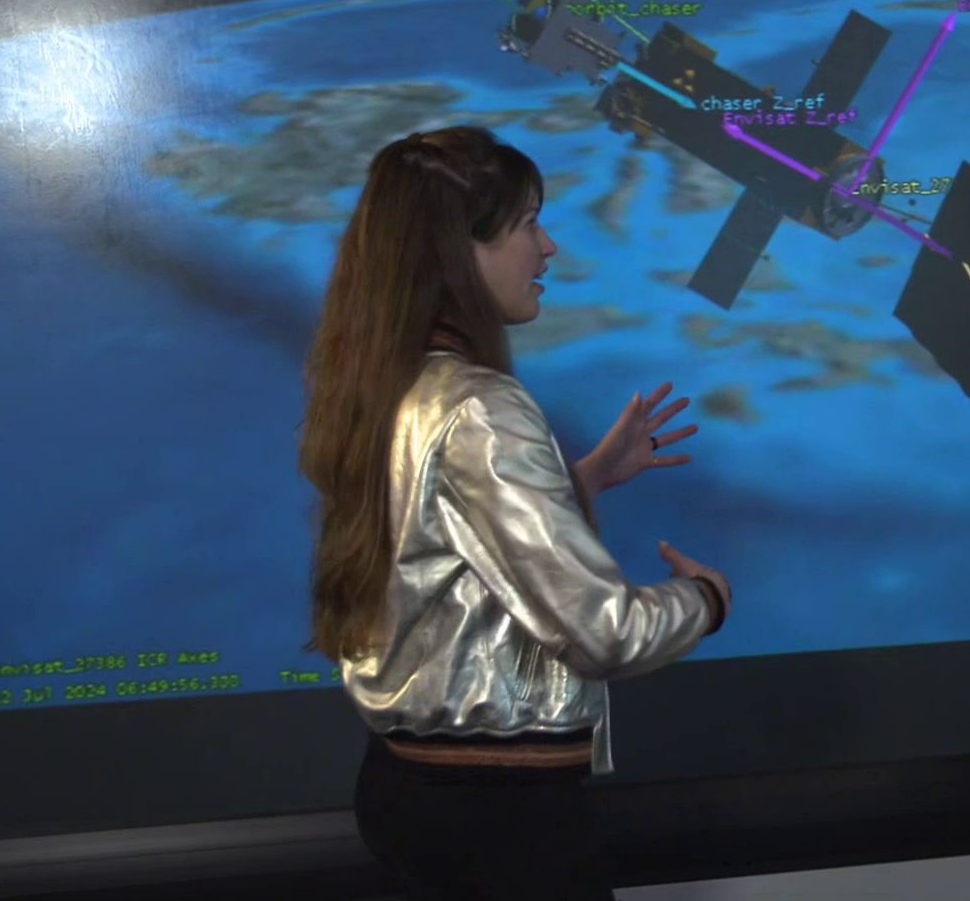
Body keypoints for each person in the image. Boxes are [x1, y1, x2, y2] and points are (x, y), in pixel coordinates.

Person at [297, 126, 731, 900]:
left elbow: (439, 548)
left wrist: (581, 482)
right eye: (528, 223)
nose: (548, 246)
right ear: (459, 250)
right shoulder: (481, 408)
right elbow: (603, 632)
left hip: (407, 791)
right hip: (499, 820)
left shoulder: (389, 387)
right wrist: (705, 601)